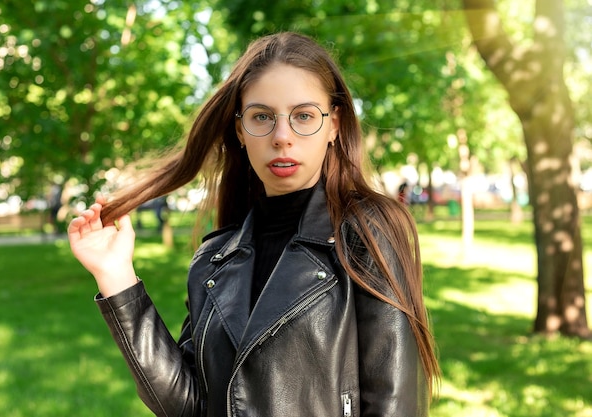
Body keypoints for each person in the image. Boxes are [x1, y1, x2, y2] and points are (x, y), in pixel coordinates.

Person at [68, 31, 439, 417]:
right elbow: (191, 406)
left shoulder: (367, 233)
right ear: (241, 131)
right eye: (262, 116)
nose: (282, 137)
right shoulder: (214, 260)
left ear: (334, 125)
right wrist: (117, 278)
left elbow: (395, 405)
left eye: (304, 116)